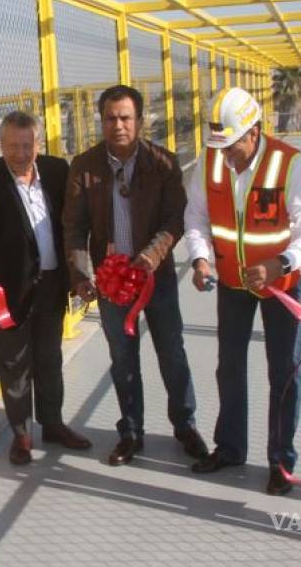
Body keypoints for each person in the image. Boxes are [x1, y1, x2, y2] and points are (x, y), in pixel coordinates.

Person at [184, 87, 301, 495]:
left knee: (284, 373)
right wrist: (200, 258)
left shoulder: (288, 163)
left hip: (279, 285)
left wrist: (280, 263)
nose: (226, 155)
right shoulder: (211, 160)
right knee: (229, 367)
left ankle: (281, 462)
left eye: (232, 146)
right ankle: (230, 448)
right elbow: (197, 216)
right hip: (230, 282)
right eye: (219, 147)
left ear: (254, 132)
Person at [62, 85, 208, 466]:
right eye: (110, 118)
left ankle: (185, 425)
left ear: (140, 121)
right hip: (112, 283)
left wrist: (150, 255)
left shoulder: (163, 163)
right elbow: (74, 227)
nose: (118, 125)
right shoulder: (85, 166)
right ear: (102, 121)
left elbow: (174, 217)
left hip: (154, 277)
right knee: (122, 358)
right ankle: (130, 432)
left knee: (171, 352)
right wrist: (81, 275)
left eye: (126, 118)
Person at [0, 110, 92, 465]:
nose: (20, 154)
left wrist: (81, 269)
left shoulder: (56, 171)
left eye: (26, 145)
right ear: (1, 145)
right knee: (15, 366)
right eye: (12, 146)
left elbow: (73, 223)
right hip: (10, 291)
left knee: (50, 360)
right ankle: (21, 434)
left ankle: (53, 424)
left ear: (38, 143)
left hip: (52, 285)